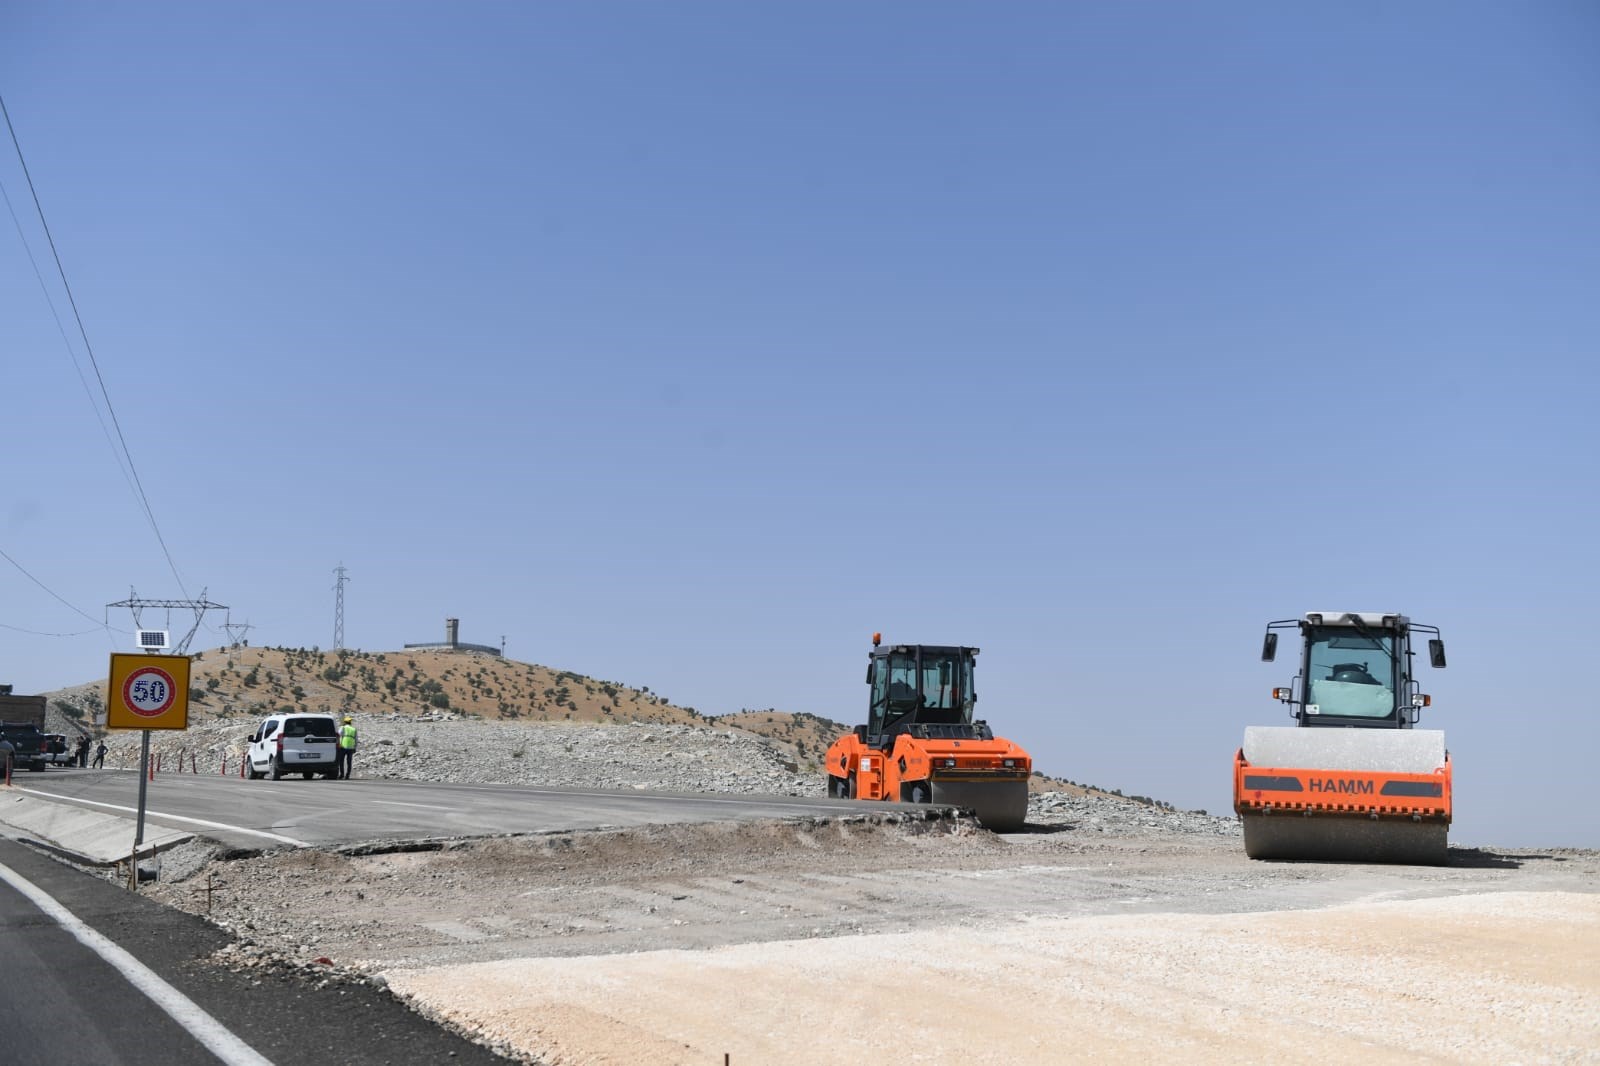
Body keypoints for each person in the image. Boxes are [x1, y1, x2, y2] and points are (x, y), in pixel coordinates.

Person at [336, 715, 358, 779]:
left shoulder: (343, 728)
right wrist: (355, 747)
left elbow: (338, 736)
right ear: (350, 722)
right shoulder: (354, 729)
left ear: (345, 722)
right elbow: (356, 740)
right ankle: (347, 775)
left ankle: (342, 774)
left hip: (343, 747)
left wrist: (338, 745)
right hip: (351, 748)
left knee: (341, 761)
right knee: (349, 762)